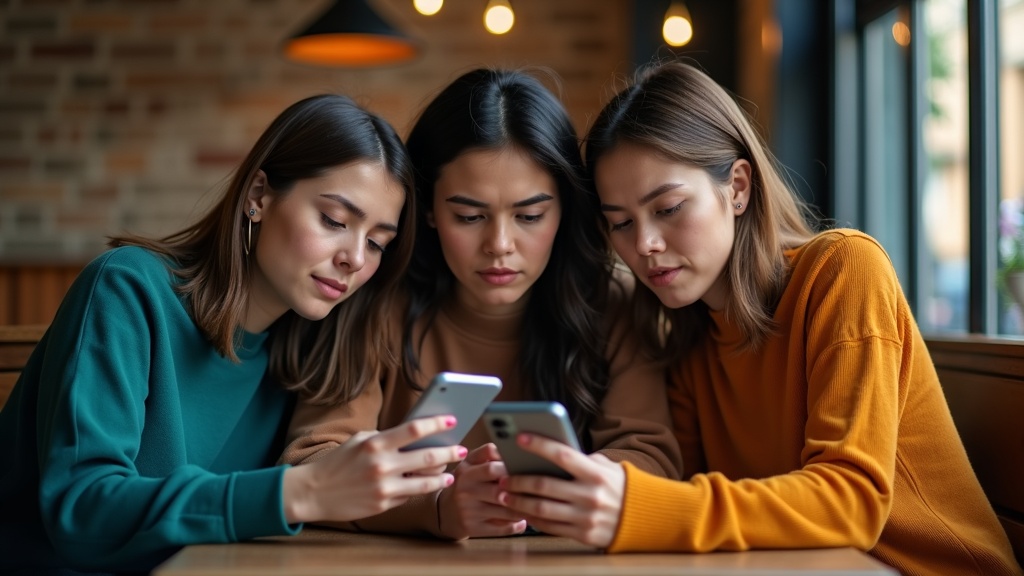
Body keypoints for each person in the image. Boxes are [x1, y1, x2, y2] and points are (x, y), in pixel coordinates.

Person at [496, 61, 1024, 576]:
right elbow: (688, 499)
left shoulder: (843, 270)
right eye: (620, 224)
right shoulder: (686, 332)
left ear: (739, 187)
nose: (645, 244)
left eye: (669, 208)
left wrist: (634, 506)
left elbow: (851, 502)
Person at [0, 94, 469, 575]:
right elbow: (82, 511)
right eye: (333, 220)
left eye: (376, 243)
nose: (354, 257)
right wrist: (302, 490)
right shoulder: (127, 289)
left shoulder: (312, 350)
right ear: (258, 195)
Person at [281, 68, 683, 540]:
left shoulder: (611, 306)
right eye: (469, 216)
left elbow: (651, 457)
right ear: (429, 209)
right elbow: (311, 462)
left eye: (530, 215)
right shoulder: (374, 302)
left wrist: (567, 490)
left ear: (563, 210)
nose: (499, 244)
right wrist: (434, 507)